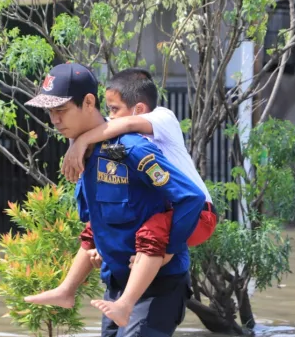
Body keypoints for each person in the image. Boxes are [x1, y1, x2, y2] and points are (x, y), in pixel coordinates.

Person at [23, 62, 209, 337]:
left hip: (160, 286)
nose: (55, 120)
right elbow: (96, 222)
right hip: (116, 283)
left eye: (61, 110)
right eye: (50, 113)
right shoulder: (82, 156)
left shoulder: (132, 149)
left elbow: (190, 199)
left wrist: (169, 250)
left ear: (88, 102)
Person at [62, 68, 216, 251]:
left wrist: (82, 141)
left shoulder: (163, 117)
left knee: (152, 234)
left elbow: (125, 123)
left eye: (114, 109)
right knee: (98, 227)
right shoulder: (120, 134)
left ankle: (153, 260)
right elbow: (94, 126)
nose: (111, 116)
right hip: (161, 210)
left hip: (197, 213)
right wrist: (74, 142)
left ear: (140, 109)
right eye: (109, 109)